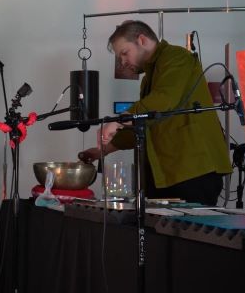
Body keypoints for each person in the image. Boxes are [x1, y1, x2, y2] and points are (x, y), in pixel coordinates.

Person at [78, 20, 231, 205]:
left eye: (125, 53)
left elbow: (163, 99)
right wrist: (104, 150)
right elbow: (145, 124)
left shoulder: (177, 57)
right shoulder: (148, 80)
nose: (123, 62)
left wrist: (119, 120)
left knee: (189, 233)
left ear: (142, 40)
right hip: (166, 173)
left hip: (193, 170)